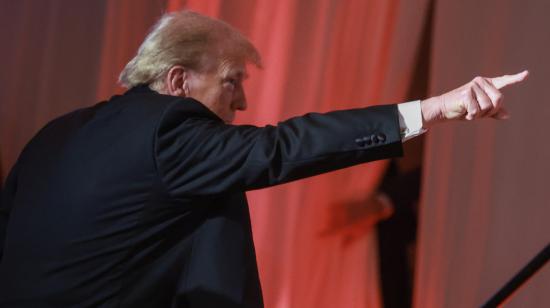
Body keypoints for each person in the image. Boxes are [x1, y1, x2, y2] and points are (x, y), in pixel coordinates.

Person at [0, 10, 527, 308]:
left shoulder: (55, 133)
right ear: (179, 81)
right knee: (222, 184)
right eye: (232, 82)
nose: (242, 103)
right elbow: (280, 147)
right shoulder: (172, 130)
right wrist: (434, 108)